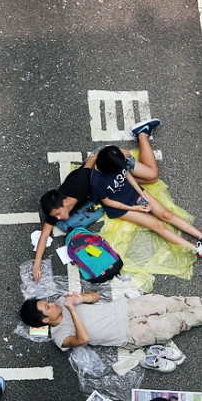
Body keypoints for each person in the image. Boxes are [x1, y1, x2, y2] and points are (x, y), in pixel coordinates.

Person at [32, 118, 162, 281]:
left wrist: (119, 154)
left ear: (64, 202)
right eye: (56, 217)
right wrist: (37, 264)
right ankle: (140, 139)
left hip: (108, 167)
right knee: (150, 180)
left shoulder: (80, 183)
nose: (59, 218)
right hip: (107, 183)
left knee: (152, 176)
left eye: (59, 214)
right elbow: (44, 235)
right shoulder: (55, 209)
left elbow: (93, 158)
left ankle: (141, 133)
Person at [90, 142, 202, 258]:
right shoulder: (97, 181)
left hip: (134, 193)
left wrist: (142, 196)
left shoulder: (117, 158)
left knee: (165, 214)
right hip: (121, 208)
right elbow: (107, 202)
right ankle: (196, 249)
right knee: (158, 225)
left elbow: (128, 176)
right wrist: (134, 208)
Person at [19, 291, 202, 354]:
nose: (52, 304)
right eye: (48, 307)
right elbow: (83, 339)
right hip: (129, 333)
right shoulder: (60, 337)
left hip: (126, 308)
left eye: (48, 302)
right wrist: (73, 311)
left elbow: (96, 296)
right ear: (45, 320)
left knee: (173, 303)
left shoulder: (61, 301)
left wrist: (82, 297)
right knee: (177, 321)